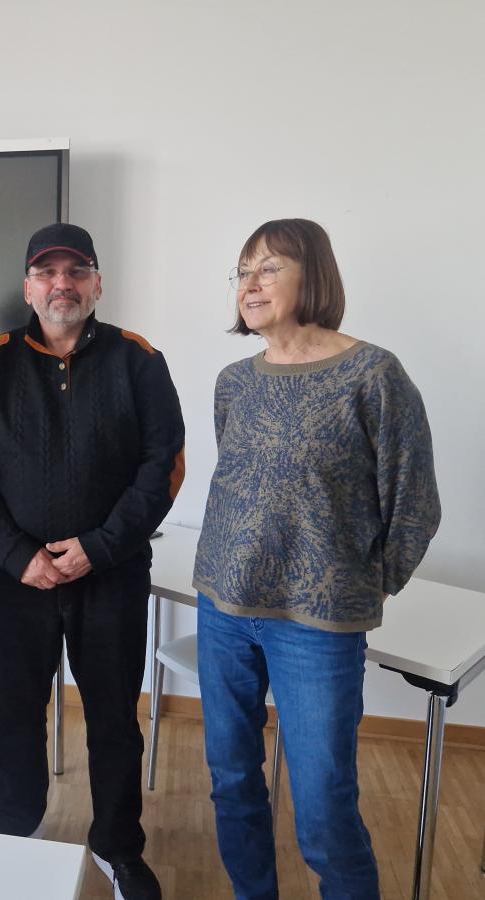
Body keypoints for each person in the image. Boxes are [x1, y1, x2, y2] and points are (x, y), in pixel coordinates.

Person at [193, 219, 441, 899]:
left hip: (317, 627)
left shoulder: (373, 374)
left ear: (316, 276)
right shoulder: (234, 382)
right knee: (233, 781)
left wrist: (361, 586)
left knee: (325, 806)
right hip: (223, 608)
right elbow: (242, 484)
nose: (250, 284)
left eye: (269, 268)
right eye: (243, 271)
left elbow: (415, 503)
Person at [0, 223, 185, 900]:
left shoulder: (139, 359)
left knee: (113, 718)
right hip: (14, 577)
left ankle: (117, 845)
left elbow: (164, 465)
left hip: (111, 575)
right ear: (28, 287)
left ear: (97, 284)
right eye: (47, 273)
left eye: (76, 271)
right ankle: (17, 818)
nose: (62, 284)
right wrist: (18, 554)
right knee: (13, 709)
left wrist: (99, 547)